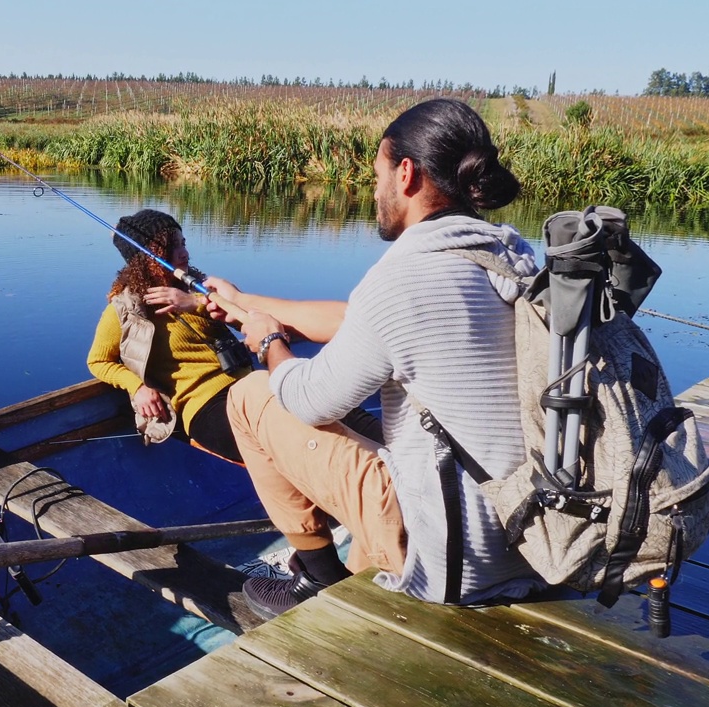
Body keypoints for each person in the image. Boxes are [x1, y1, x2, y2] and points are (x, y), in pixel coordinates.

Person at [205, 98, 545, 619]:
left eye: (377, 174)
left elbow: (307, 400)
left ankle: (320, 580)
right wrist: (248, 303)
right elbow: (357, 325)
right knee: (374, 417)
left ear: (406, 174)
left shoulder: (403, 277)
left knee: (252, 396)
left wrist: (271, 342)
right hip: (534, 535)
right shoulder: (512, 256)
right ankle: (365, 552)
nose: (374, 191)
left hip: (457, 559)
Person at [86, 209, 249, 463]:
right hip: (204, 404)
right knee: (275, 441)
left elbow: (249, 321)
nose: (184, 253)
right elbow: (97, 361)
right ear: (148, 257)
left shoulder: (199, 286)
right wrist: (137, 387)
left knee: (318, 414)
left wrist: (196, 301)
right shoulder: (127, 308)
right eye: (171, 247)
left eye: (183, 243)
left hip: (245, 384)